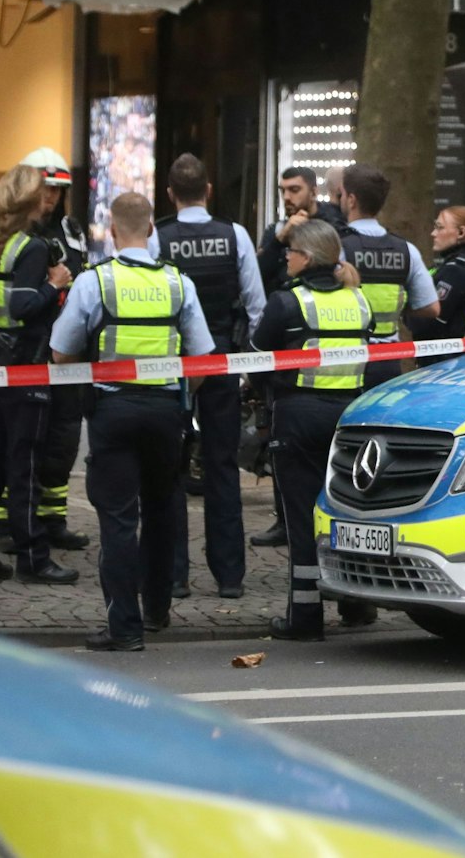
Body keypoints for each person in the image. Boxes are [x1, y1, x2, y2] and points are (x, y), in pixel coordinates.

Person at [51, 192, 216, 652]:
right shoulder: (178, 283)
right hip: (165, 412)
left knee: (119, 519)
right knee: (163, 511)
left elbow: (62, 351)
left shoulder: (95, 282)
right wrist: (181, 397)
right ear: (150, 228)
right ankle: (158, 609)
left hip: (113, 411)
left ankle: (124, 628)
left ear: (112, 228)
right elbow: (202, 358)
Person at [151, 153, 266, 599]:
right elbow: (256, 306)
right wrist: (246, 366)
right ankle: (230, 577)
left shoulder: (158, 236)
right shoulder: (233, 234)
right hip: (221, 360)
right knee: (221, 466)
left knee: (170, 470)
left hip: (173, 366)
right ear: (209, 190)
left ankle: (174, 575)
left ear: (170, 194)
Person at [252, 219, 373, 641]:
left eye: (291, 251)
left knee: (303, 519)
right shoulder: (359, 300)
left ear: (307, 257)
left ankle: (305, 618)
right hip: (349, 420)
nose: (286, 256)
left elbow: (256, 354)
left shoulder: (287, 303)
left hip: (298, 417)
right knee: (347, 511)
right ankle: (358, 605)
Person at [0, 164, 78, 585]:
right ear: (31, 203)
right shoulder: (31, 248)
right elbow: (27, 306)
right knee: (23, 465)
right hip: (23, 367)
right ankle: (33, 558)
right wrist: (56, 284)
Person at [0, 146, 91, 553]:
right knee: (20, 439)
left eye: (57, 188)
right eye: (45, 187)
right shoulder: (17, 237)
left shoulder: (72, 229)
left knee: (63, 438)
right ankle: (8, 521)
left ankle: (53, 519)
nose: (51, 196)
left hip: (69, 351)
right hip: (29, 350)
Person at [337, 163, 439, 388]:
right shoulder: (406, 250)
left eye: (342, 194)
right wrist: (398, 305)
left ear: (352, 199)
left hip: (347, 356)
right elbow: (432, 307)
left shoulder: (339, 247)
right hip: (388, 359)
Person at [412, 205, 465, 366]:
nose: (433, 233)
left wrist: (409, 306)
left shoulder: (456, 272)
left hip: (443, 366)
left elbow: (428, 324)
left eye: (439, 227)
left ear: (461, 233)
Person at [256, 166, 347, 292]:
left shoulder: (334, 227)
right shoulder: (277, 231)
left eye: (294, 190)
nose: (286, 197)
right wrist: (278, 241)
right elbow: (257, 277)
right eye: (283, 191)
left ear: (314, 193)